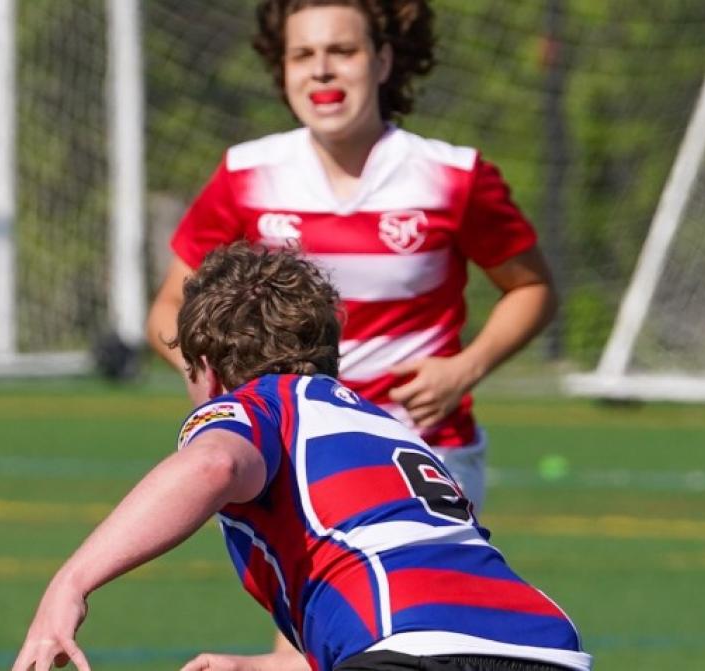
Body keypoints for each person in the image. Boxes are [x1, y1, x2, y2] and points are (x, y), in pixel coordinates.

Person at [13, 243, 589, 671]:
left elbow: (213, 466)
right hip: (545, 647)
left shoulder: (260, 405)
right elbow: (422, 590)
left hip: (411, 647)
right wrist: (267, 666)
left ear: (208, 371)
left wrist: (70, 583)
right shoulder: (384, 428)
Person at [147, 0, 556, 511]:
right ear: (284, 69)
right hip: (289, 445)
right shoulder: (245, 174)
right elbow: (168, 308)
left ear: (382, 61)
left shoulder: (453, 176)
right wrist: (216, 381)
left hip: (421, 448)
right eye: (302, 54)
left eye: (342, 50)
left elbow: (532, 288)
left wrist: (465, 368)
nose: (321, 69)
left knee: (414, 566)